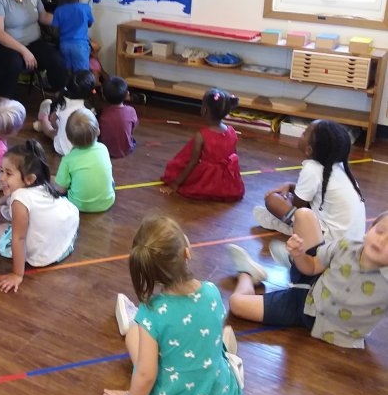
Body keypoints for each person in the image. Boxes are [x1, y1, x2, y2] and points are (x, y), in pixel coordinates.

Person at [103, 215, 243, 395]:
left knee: (133, 333)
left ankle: (133, 321)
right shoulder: (212, 292)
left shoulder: (152, 312)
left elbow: (146, 375)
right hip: (217, 394)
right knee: (205, 340)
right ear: (187, 252)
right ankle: (226, 351)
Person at [228, 210, 388, 349]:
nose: (381, 241)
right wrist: (299, 255)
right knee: (303, 215)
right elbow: (312, 267)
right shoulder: (345, 245)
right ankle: (282, 263)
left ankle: (250, 273)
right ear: (369, 229)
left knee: (236, 304)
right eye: (380, 231)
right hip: (314, 278)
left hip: (299, 310)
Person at [252, 120, 365, 272]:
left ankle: (292, 241)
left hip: (328, 244)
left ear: (309, 150)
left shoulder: (312, 168)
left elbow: (299, 209)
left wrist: (288, 197)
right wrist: (291, 186)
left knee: (272, 200)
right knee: (288, 202)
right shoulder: (338, 165)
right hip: (351, 242)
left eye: (304, 133)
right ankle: (289, 229)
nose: (301, 134)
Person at [0, 140, 79, 294]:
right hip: (65, 239)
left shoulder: (19, 199)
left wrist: (17, 274)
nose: (1, 177)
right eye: (1, 171)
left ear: (29, 179)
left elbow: (18, 239)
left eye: (8, 173)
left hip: (43, 255)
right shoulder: (41, 183)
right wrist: (4, 199)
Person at [160, 88, 244, 201]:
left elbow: (193, 162)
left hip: (207, 181)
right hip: (227, 183)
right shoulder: (232, 131)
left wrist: (175, 184)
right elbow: (233, 156)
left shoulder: (202, 135)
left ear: (204, 110)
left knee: (179, 168)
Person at [55, 109, 115, 213]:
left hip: (78, 205)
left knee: (59, 186)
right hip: (107, 202)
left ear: (69, 139)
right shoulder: (103, 148)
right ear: (98, 131)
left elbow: (61, 189)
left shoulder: (67, 160)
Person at [33, 69, 96, 156]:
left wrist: (57, 128)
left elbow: (52, 119)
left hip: (62, 147)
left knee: (50, 130)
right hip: (83, 149)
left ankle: (43, 118)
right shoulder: (90, 111)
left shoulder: (64, 105)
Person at [51, 0, 93, 72]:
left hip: (64, 46)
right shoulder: (85, 8)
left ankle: (68, 82)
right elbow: (90, 24)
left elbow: (55, 32)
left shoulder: (59, 10)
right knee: (82, 74)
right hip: (80, 46)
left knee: (67, 73)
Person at [98, 75, 138, 158]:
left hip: (106, 151)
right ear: (127, 94)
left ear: (104, 97)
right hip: (127, 150)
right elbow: (134, 127)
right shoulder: (131, 110)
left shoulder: (102, 113)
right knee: (133, 140)